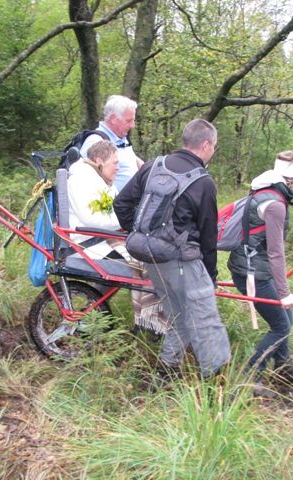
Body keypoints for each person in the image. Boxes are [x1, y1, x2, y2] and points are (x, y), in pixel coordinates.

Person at [114, 119, 231, 379]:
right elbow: (208, 238)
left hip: (150, 258)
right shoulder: (203, 182)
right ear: (205, 144)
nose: (213, 151)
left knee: (178, 315)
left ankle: (166, 370)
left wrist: (140, 233)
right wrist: (210, 277)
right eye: (214, 146)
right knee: (204, 318)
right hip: (181, 261)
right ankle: (216, 382)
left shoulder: (152, 166)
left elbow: (121, 203)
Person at [227, 151, 293, 393]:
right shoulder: (275, 205)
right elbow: (276, 252)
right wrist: (284, 293)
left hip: (250, 268)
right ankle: (250, 376)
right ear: (291, 178)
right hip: (253, 274)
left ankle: (284, 367)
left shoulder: (265, 191)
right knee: (281, 326)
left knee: (287, 318)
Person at [68, 140, 166, 332]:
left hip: (103, 238)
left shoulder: (99, 178)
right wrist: (127, 223)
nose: (118, 167)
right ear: (99, 160)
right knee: (143, 263)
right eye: (115, 162)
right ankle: (148, 322)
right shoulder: (80, 180)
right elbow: (90, 219)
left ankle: (145, 319)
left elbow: (116, 209)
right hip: (88, 243)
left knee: (145, 254)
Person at [79, 95, 143, 191]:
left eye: (133, 120)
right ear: (113, 119)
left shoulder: (121, 139)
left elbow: (132, 161)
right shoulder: (96, 141)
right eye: (129, 121)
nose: (132, 125)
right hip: (109, 204)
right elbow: (84, 180)